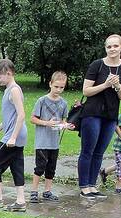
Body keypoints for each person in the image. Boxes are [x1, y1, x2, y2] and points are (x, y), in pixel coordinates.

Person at [78, 34, 121, 199]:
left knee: (99, 152)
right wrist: (105, 85)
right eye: (109, 47)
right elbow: (86, 91)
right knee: (88, 150)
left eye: (115, 46)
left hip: (110, 116)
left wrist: (116, 86)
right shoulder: (97, 65)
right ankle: (84, 186)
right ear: (105, 48)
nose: (112, 49)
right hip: (92, 113)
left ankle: (92, 185)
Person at [0, 59, 28, 211]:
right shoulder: (10, 90)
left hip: (14, 136)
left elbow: (22, 115)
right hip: (15, 135)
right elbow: (9, 118)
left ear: (8, 73)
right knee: (16, 167)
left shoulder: (14, 90)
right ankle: (21, 202)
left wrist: (13, 137)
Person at [29, 71, 74, 203]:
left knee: (51, 168)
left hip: (54, 142)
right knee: (40, 167)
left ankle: (47, 191)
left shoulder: (64, 103)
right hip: (42, 141)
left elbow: (63, 121)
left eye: (61, 87)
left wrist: (66, 126)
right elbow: (32, 119)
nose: (58, 90)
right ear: (50, 84)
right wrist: (46, 123)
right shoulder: (41, 101)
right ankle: (34, 191)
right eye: (56, 87)